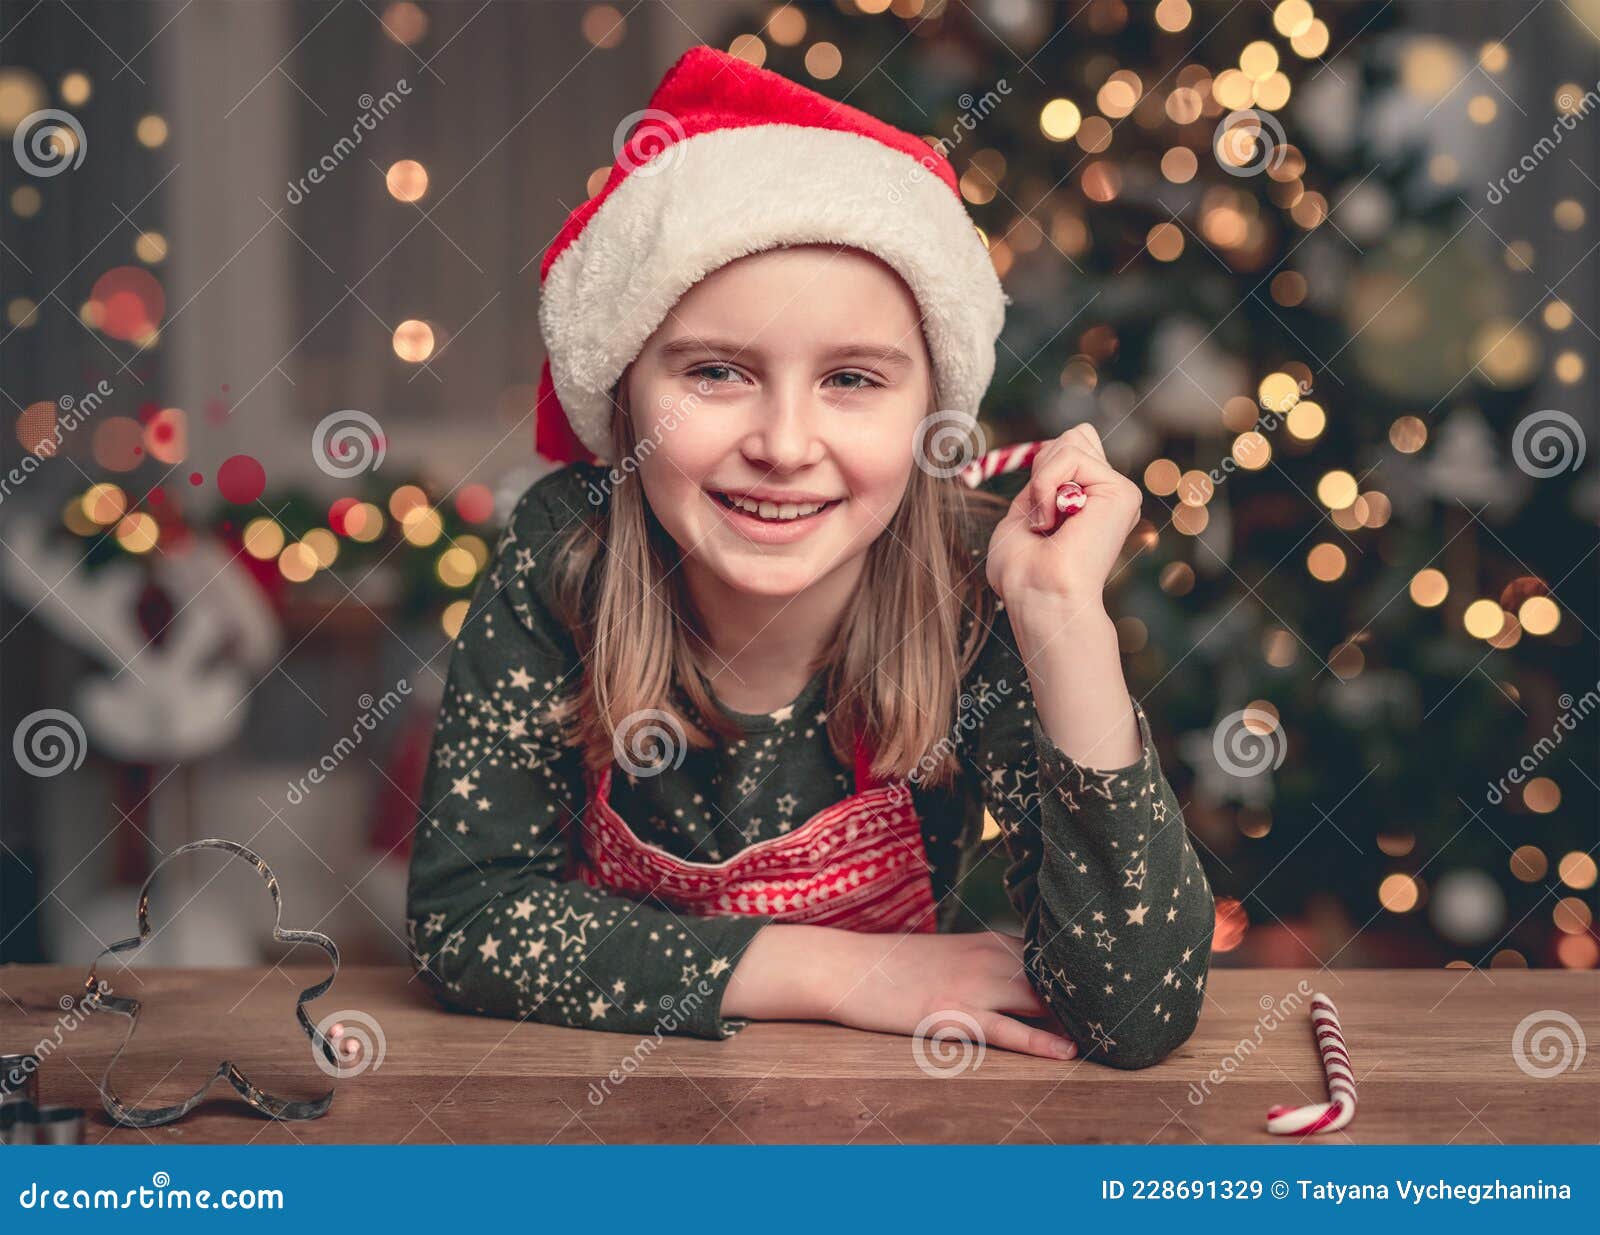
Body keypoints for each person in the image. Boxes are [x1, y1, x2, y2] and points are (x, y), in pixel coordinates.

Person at [405, 45, 1213, 1069]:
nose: (784, 446)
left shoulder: (973, 585)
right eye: (714, 371)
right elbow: (466, 918)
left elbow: (1135, 1011)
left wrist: (1061, 620)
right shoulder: (563, 554)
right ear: (623, 393)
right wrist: (835, 972)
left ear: (933, 409)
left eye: (852, 380)